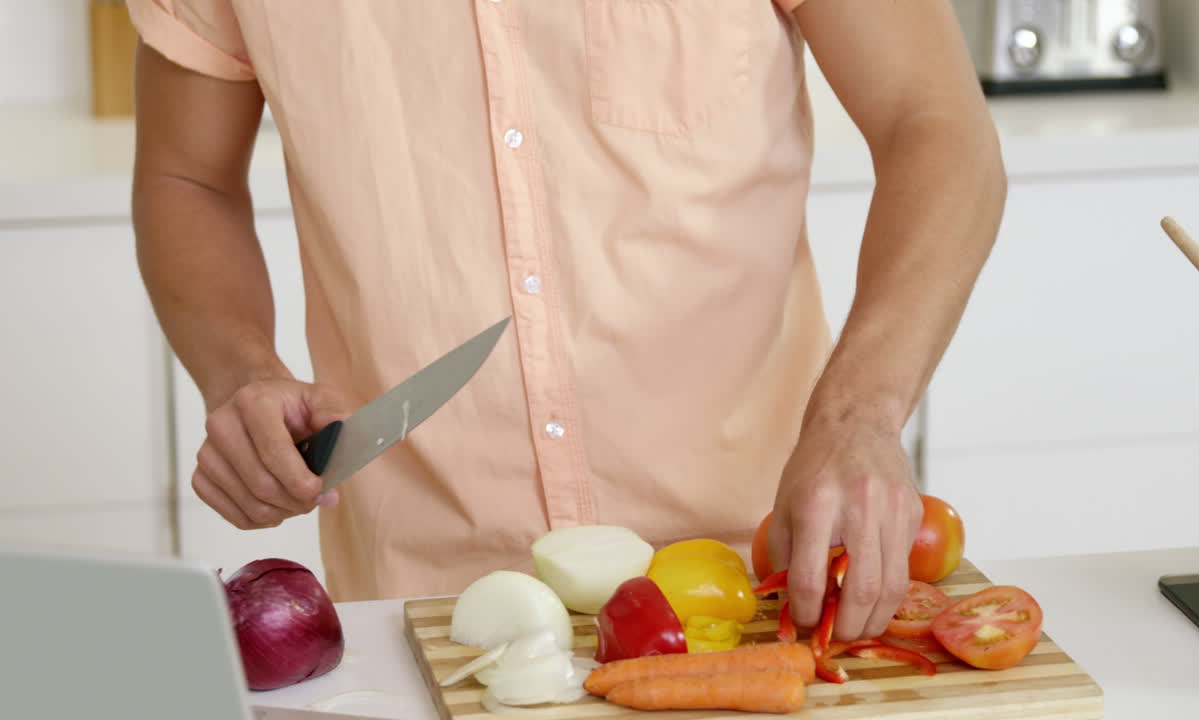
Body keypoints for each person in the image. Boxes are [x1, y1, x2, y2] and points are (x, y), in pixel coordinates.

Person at [127, 0, 1005, 642]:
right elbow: (187, 180)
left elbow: (935, 127)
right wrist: (241, 371)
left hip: (768, 588)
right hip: (432, 618)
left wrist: (859, 414)